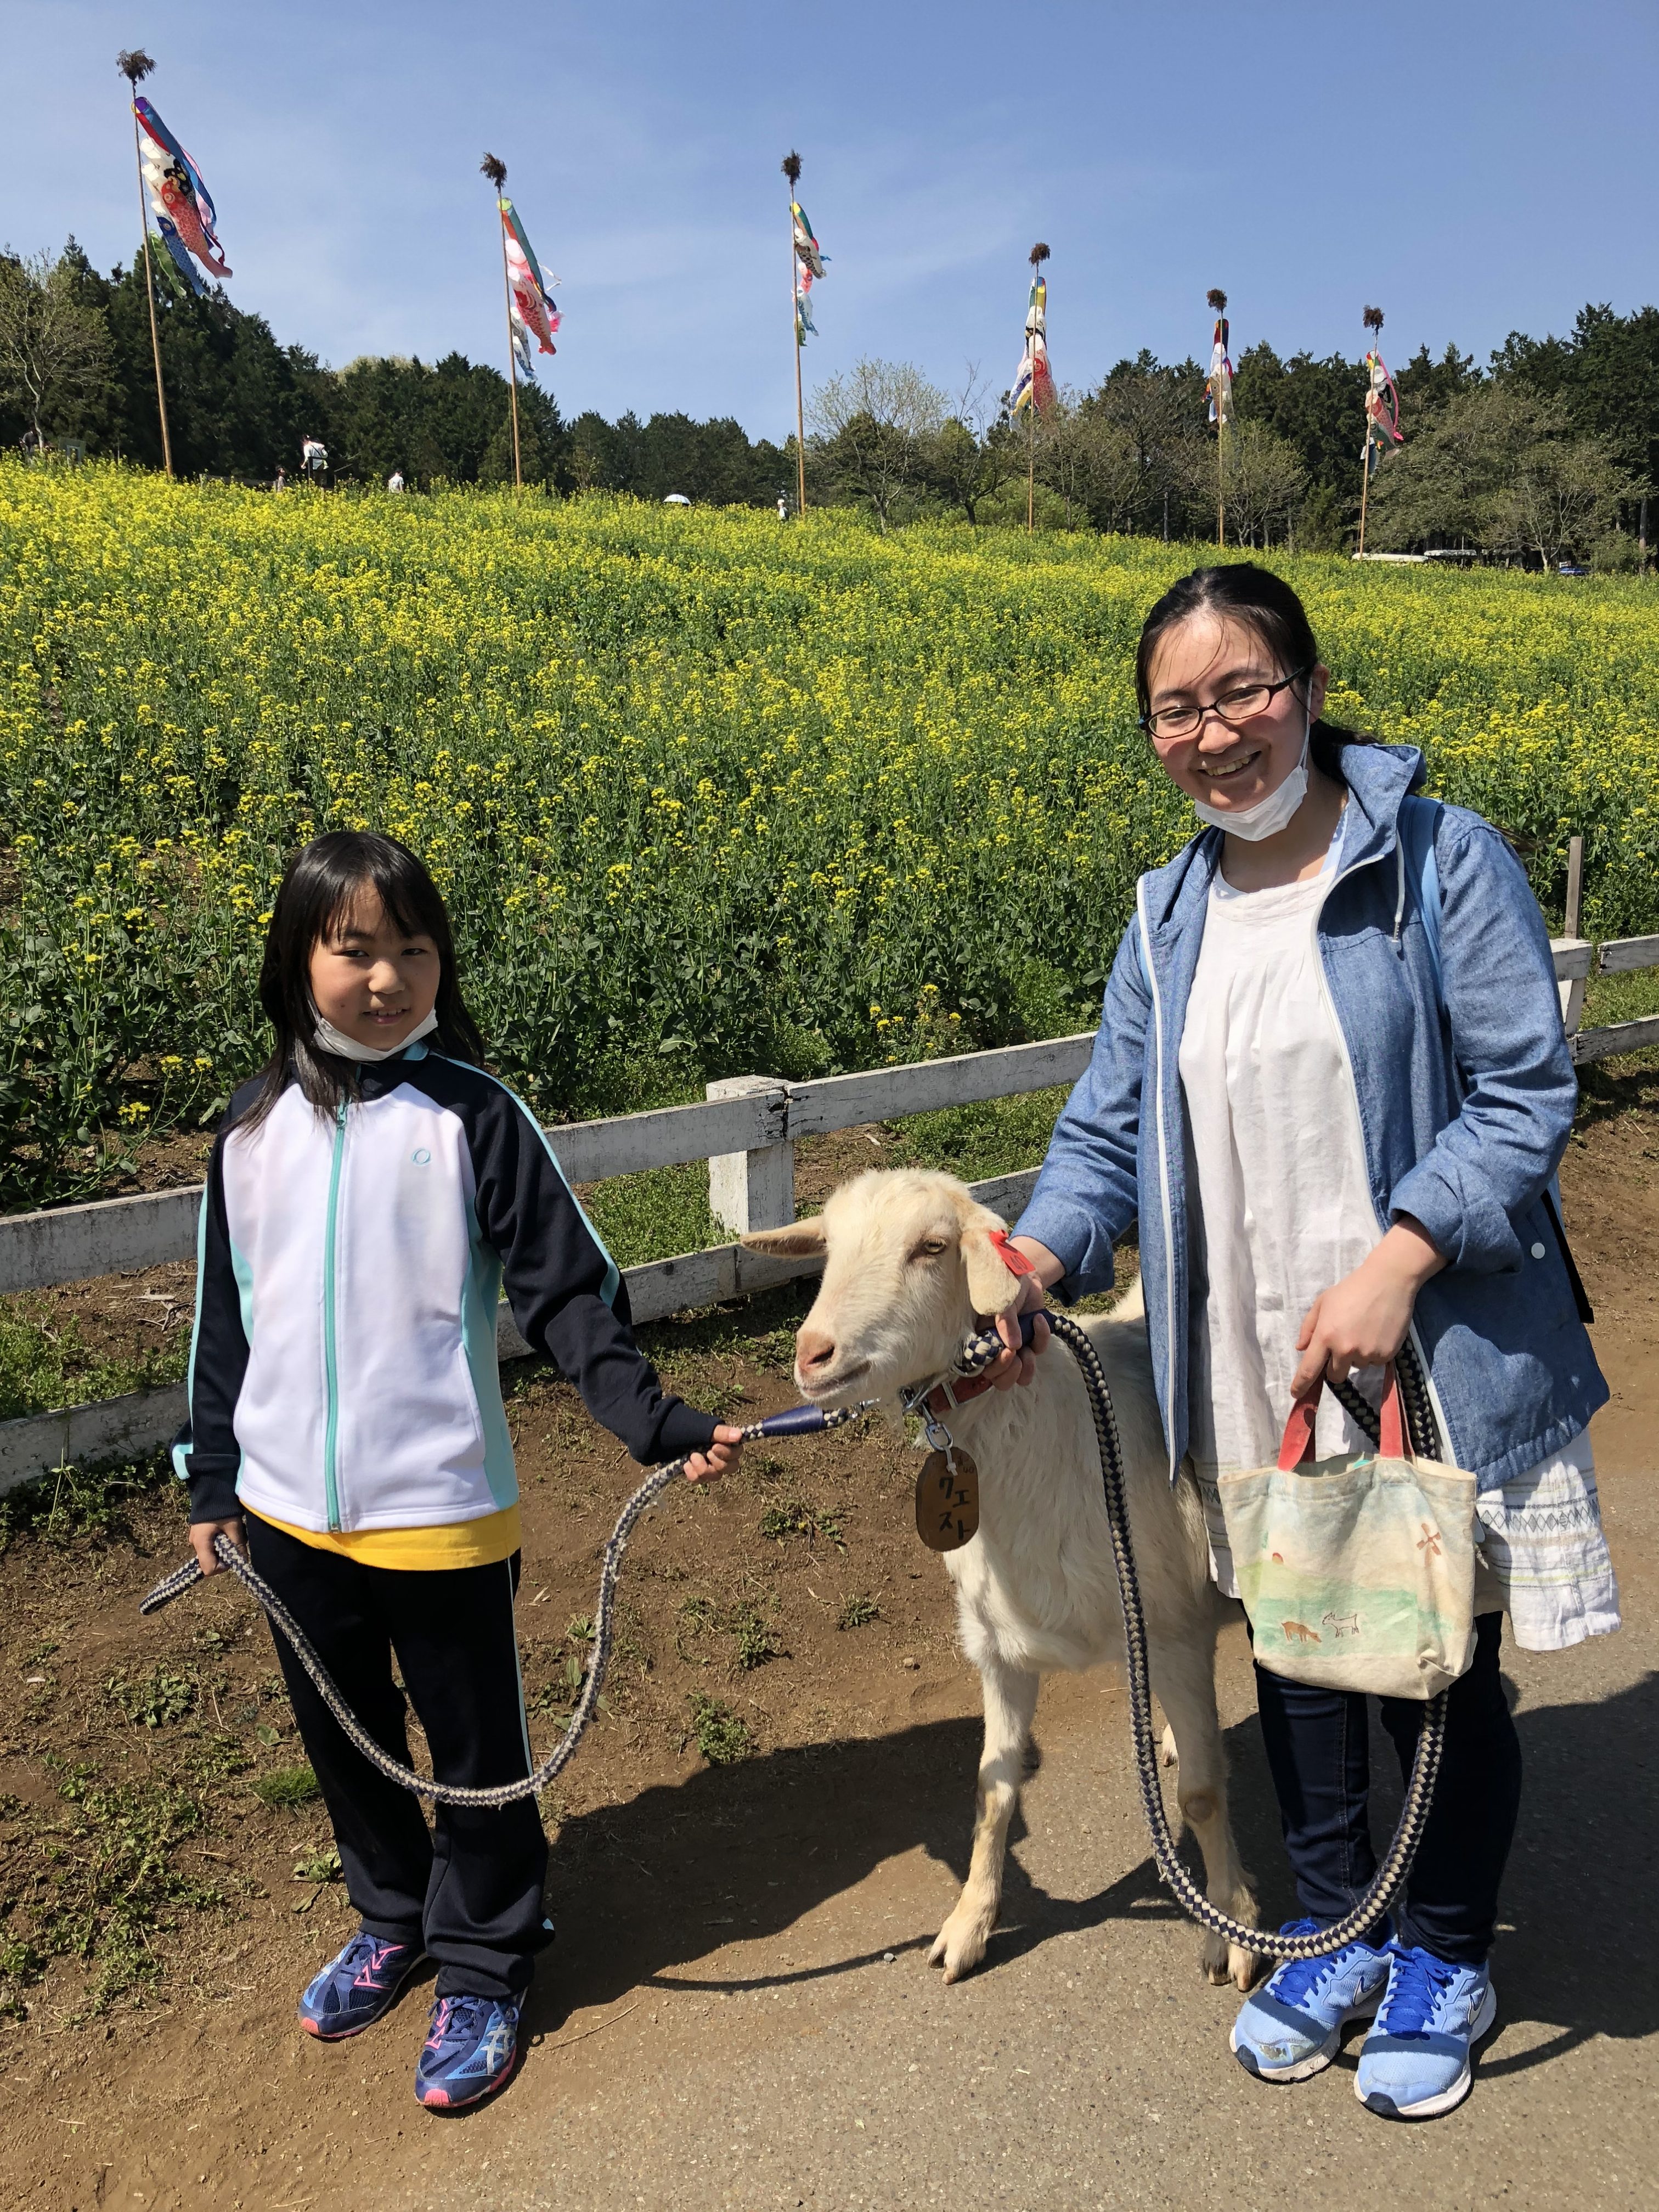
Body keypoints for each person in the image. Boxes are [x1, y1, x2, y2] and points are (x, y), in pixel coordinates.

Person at [993, 563, 1617, 2121]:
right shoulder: (1168, 915)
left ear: (1313, 688)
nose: (1215, 733)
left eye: (1244, 690)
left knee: (1430, 1661)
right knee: (1299, 1660)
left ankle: (1448, 1953)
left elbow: (1526, 1092)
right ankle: (1336, 1930)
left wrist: (1400, 1258)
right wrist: (1027, 1263)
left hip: (1428, 1349)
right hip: (1243, 1365)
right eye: (1177, 709)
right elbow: (1104, 1135)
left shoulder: (1439, 860)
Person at [173, 831, 744, 2110]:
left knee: (473, 1750)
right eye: (356, 950)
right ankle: (392, 1916)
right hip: (284, 1513)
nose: (389, 978)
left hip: (438, 1507)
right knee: (347, 1738)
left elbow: (569, 1296)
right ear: (296, 960)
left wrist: (652, 1420)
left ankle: (486, 1958)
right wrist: (214, 1484)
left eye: (415, 950)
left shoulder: (474, 1116)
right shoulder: (250, 1129)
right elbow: (227, 1322)